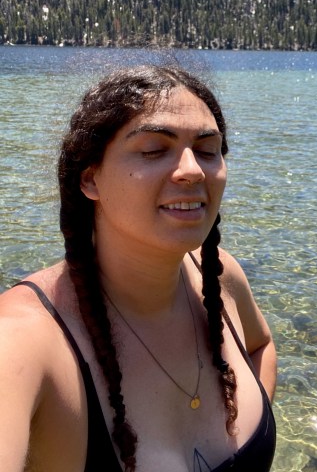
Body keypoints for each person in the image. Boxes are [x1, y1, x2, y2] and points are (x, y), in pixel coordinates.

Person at [0, 64, 276, 472]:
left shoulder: (217, 275)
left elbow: (260, 347)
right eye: (153, 150)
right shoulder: (25, 341)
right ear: (91, 179)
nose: (192, 170)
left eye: (207, 149)